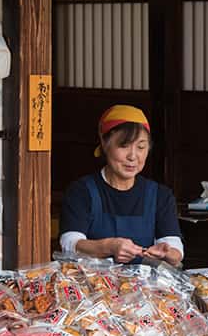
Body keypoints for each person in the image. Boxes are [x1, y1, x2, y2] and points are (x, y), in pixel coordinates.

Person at [59, 105, 184, 265]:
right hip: (95, 285)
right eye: (124, 146)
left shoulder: (160, 195)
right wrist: (108, 246)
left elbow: (176, 248)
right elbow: (70, 243)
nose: (133, 156)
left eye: (140, 147)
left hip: (147, 287)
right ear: (104, 144)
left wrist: (166, 252)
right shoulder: (81, 191)